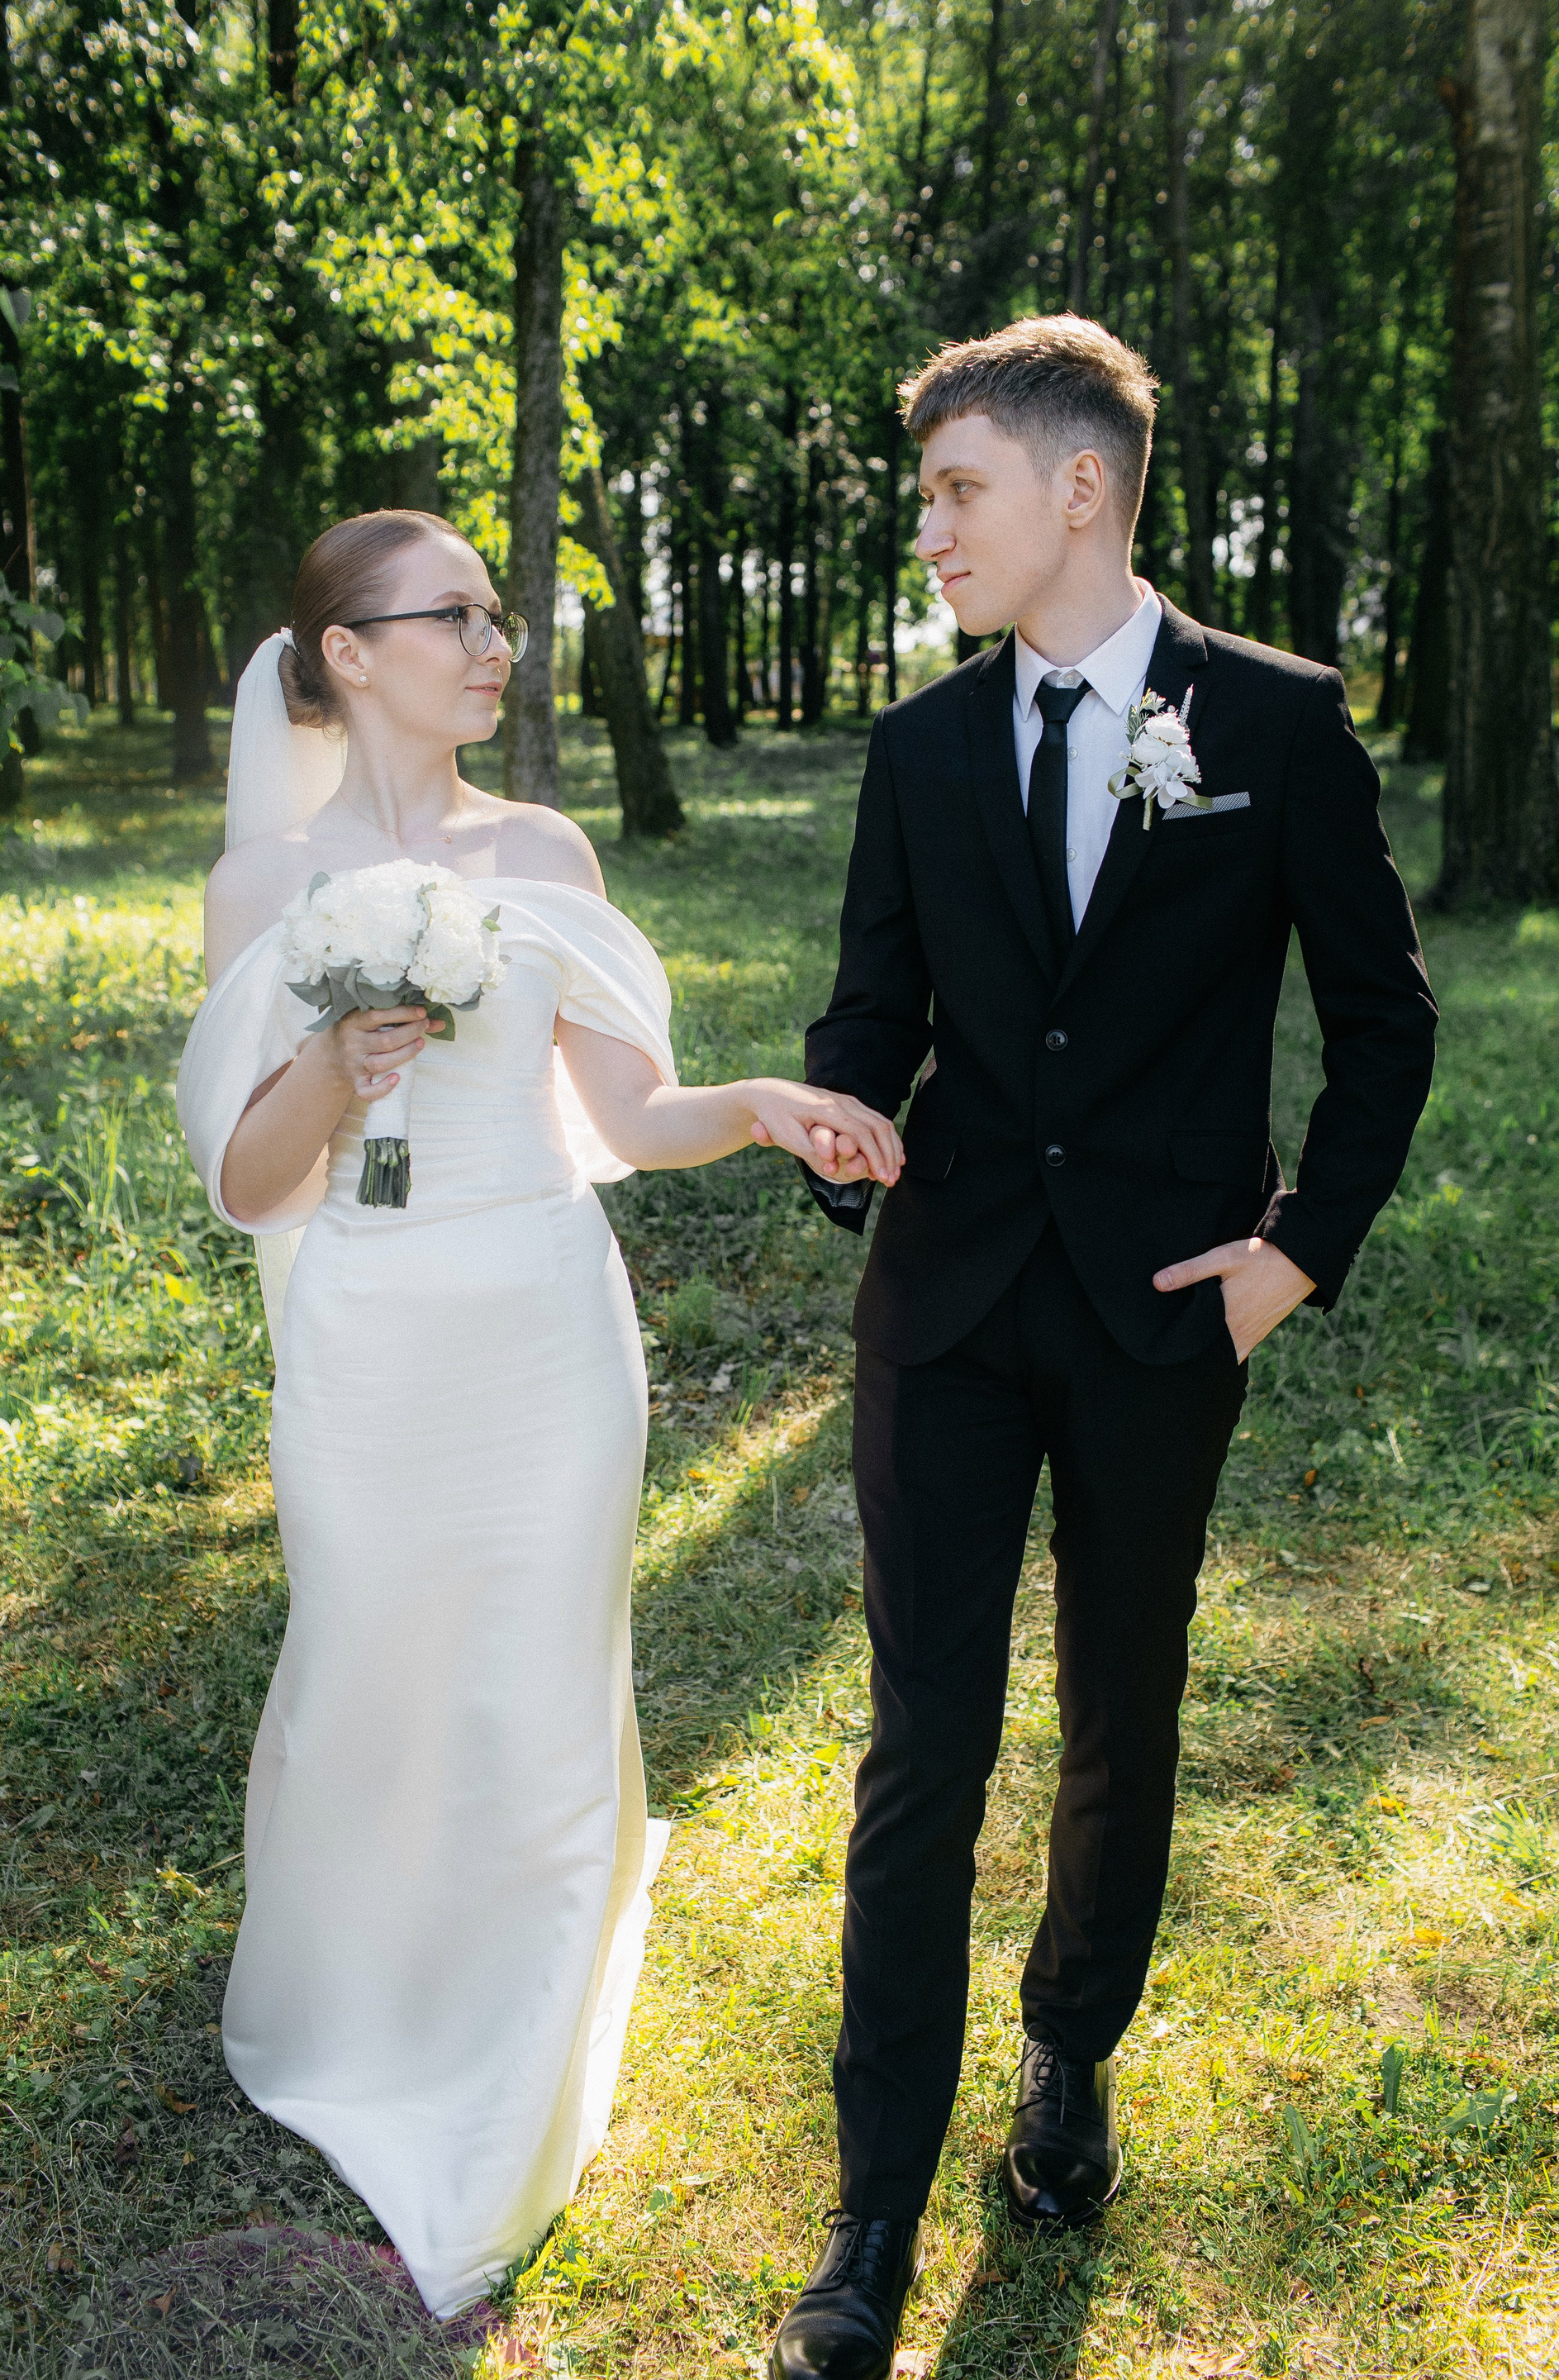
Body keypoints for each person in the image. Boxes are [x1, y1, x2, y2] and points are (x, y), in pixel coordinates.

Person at [768, 318, 1437, 2380]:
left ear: (1081, 490)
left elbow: (1385, 1019)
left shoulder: (1278, 721)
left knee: (1120, 1714)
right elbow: (876, 1006)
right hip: (948, 1309)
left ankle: (1068, 2049)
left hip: (1163, 1315)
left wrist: (1292, 1257)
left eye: (955, 490)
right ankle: (874, 2206)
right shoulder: (921, 749)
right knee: (925, 1746)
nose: (930, 532)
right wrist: (842, 1121)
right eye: (926, 499)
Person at [176, 507, 901, 2320]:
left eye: (501, 615)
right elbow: (252, 1187)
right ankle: (361, 1995)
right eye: (457, 617)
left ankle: (507, 2075)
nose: (498, 644)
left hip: (547, 1332)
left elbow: (633, 1118)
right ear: (350, 655)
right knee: (372, 1659)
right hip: (369, 1337)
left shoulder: (545, 850)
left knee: (537, 1678)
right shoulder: (266, 889)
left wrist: (760, 1103)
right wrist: (333, 1068)